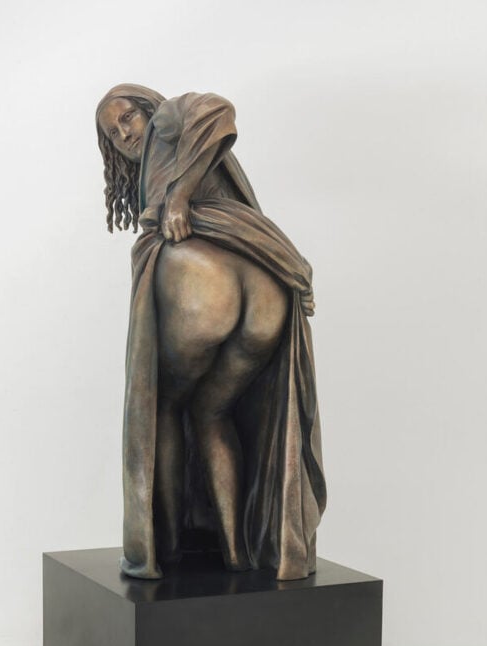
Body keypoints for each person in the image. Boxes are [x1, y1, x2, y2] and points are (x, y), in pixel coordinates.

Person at [96, 84, 326, 581]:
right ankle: (236, 552)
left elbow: (218, 109)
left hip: (206, 276)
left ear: (148, 108)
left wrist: (179, 197)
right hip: (265, 285)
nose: (125, 134)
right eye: (113, 134)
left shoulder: (168, 119)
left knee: (162, 404)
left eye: (128, 117)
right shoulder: (159, 156)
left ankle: (165, 548)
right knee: (211, 410)